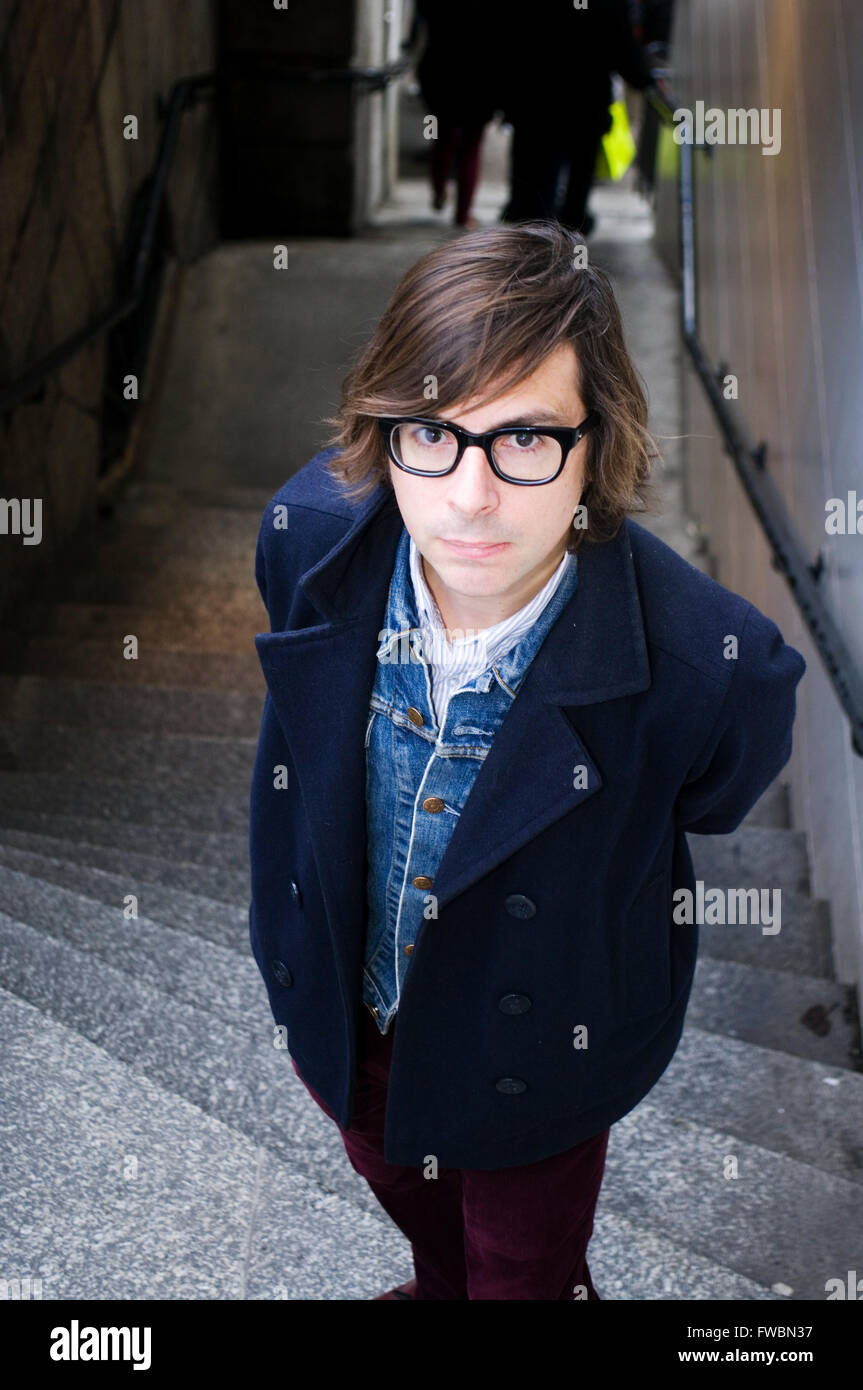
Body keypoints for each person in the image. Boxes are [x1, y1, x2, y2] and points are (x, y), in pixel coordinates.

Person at [249, 221, 806, 1300]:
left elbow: (713, 786)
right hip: (348, 996)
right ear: (386, 428)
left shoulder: (710, 668)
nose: (467, 495)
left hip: (540, 1039)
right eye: (432, 433)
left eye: (523, 439)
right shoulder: (306, 535)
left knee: (521, 1264)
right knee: (389, 1171)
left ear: (596, 446)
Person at [498, 0, 658, 234]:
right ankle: (565, 229)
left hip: (534, 104)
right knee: (577, 175)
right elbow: (622, 46)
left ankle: (533, 229)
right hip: (584, 105)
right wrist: (646, 80)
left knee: (535, 174)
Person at [411, 0, 497, 228]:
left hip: (440, 71)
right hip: (479, 75)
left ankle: (439, 191)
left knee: (443, 138)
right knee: (471, 145)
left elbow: (420, 20)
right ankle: (463, 213)